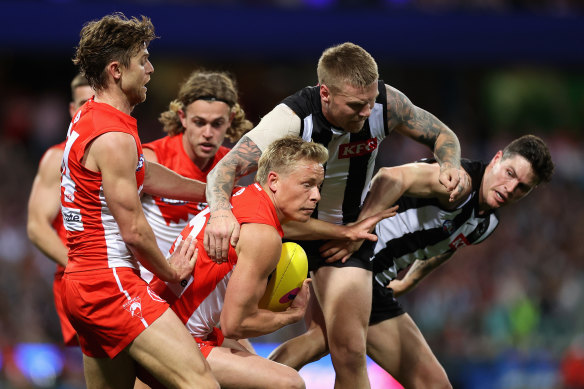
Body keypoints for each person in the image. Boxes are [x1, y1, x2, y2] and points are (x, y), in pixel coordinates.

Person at [204, 42, 470, 388]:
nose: (366, 112)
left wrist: (450, 165)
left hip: (347, 235)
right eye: (356, 105)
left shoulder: (386, 105)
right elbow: (226, 168)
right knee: (258, 333)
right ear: (325, 93)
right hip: (289, 236)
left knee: (346, 349)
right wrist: (221, 213)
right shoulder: (291, 118)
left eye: (371, 101)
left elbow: (441, 134)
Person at [269, 134, 555, 389]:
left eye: (522, 187)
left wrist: (410, 280)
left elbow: (446, 246)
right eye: (509, 173)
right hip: (352, 258)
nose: (510, 187)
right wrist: (359, 231)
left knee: (325, 341)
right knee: (345, 355)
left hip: (373, 279)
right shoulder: (458, 183)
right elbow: (390, 178)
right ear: (496, 159)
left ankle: (253, 378)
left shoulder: (487, 223)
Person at [60, 13, 218, 389]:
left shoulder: (91, 117)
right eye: (143, 59)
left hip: (82, 282)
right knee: (202, 384)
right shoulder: (113, 137)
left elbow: (145, 173)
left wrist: (213, 191)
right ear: (117, 70)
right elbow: (133, 230)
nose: (150, 69)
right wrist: (169, 271)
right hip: (109, 283)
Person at [139, 69, 252, 283]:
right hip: (149, 281)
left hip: (200, 289)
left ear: (230, 120)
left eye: (217, 123)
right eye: (199, 122)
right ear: (183, 117)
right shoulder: (152, 158)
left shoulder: (232, 166)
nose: (208, 133)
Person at [27, 73, 94, 346]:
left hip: (123, 274)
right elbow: (36, 227)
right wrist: (83, 267)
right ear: (71, 109)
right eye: (83, 103)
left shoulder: (127, 152)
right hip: (82, 280)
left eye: (96, 103)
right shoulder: (58, 157)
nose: (89, 112)